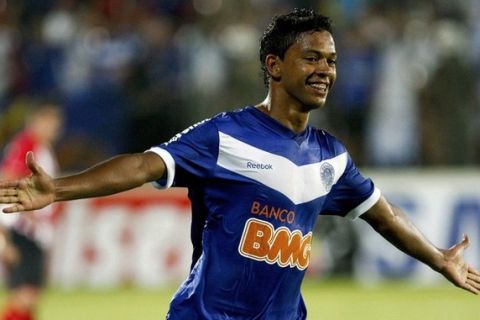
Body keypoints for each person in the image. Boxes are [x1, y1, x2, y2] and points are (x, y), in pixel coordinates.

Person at [0, 9, 479, 319]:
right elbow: (144, 166)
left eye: (331, 60)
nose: (325, 70)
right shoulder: (225, 135)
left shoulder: (331, 157)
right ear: (274, 66)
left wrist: (437, 258)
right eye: (311, 58)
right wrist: (59, 189)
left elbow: (384, 213)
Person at [0, 102, 63, 320]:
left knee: (30, 294)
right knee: (24, 294)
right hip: (23, 230)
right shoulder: (28, 144)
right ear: (37, 121)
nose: (56, 127)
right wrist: (26, 217)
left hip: (35, 232)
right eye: (51, 121)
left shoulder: (41, 147)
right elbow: (7, 178)